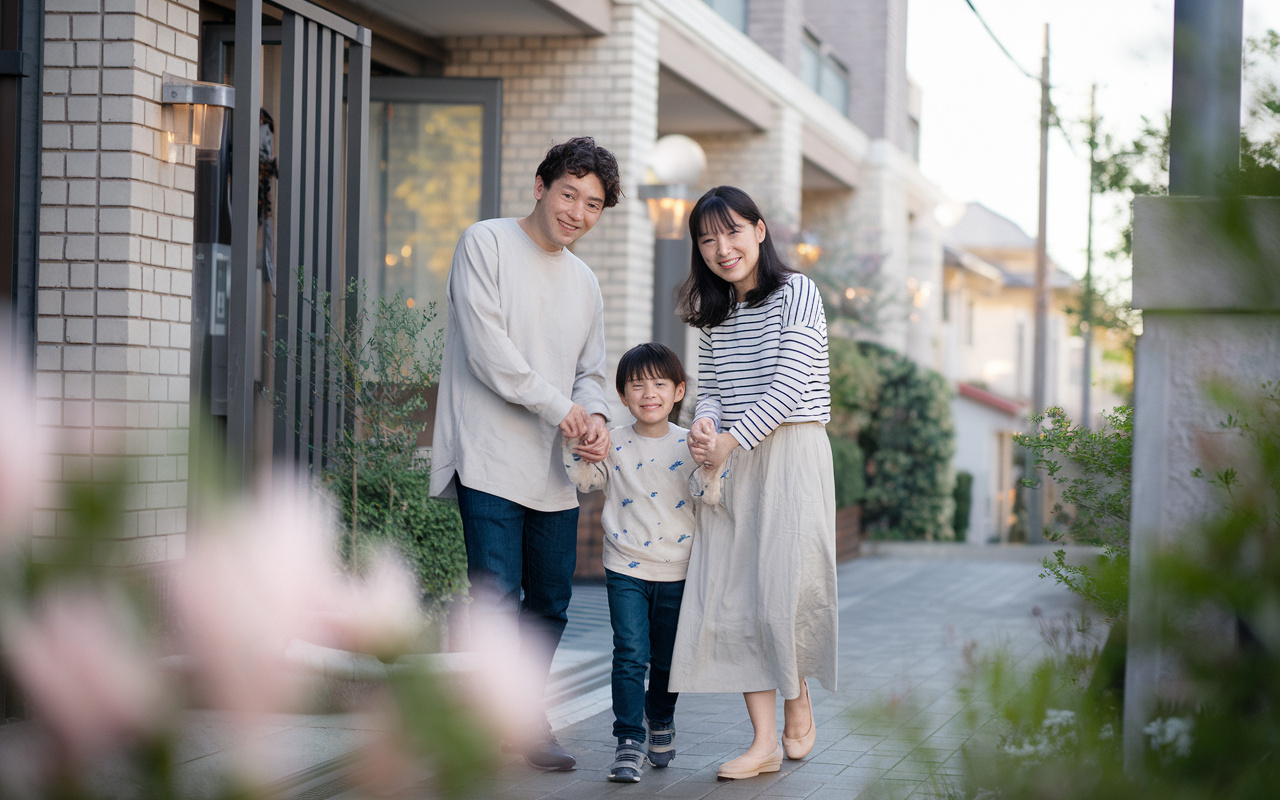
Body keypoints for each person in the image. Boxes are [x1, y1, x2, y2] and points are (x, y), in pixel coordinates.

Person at [429, 136, 622, 771]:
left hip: (553, 469)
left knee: (550, 601)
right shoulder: (484, 242)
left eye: (593, 204)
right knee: (493, 596)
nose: (578, 212)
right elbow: (488, 352)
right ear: (541, 186)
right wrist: (558, 407)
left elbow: (591, 370)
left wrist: (592, 414)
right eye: (569, 194)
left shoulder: (586, 283)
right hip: (486, 456)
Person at [669, 185, 839, 780]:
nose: (722, 248)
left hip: (788, 452)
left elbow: (793, 383)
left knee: (783, 590)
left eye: (733, 232)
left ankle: (797, 700)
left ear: (760, 231)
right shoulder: (714, 313)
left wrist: (729, 439)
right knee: (737, 595)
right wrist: (705, 426)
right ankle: (762, 741)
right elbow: (711, 385)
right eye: (707, 238)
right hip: (733, 456)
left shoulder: (798, 292)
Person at [562, 342, 709, 783]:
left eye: (660, 384)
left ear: (679, 391)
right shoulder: (615, 443)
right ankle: (629, 739)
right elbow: (587, 481)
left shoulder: (690, 444)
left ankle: (660, 720)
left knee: (666, 659)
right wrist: (578, 444)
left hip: (678, 569)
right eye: (637, 385)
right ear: (622, 396)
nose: (649, 393)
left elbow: (709, 499)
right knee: (629, 654)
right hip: (625, 565)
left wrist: (713, 466)